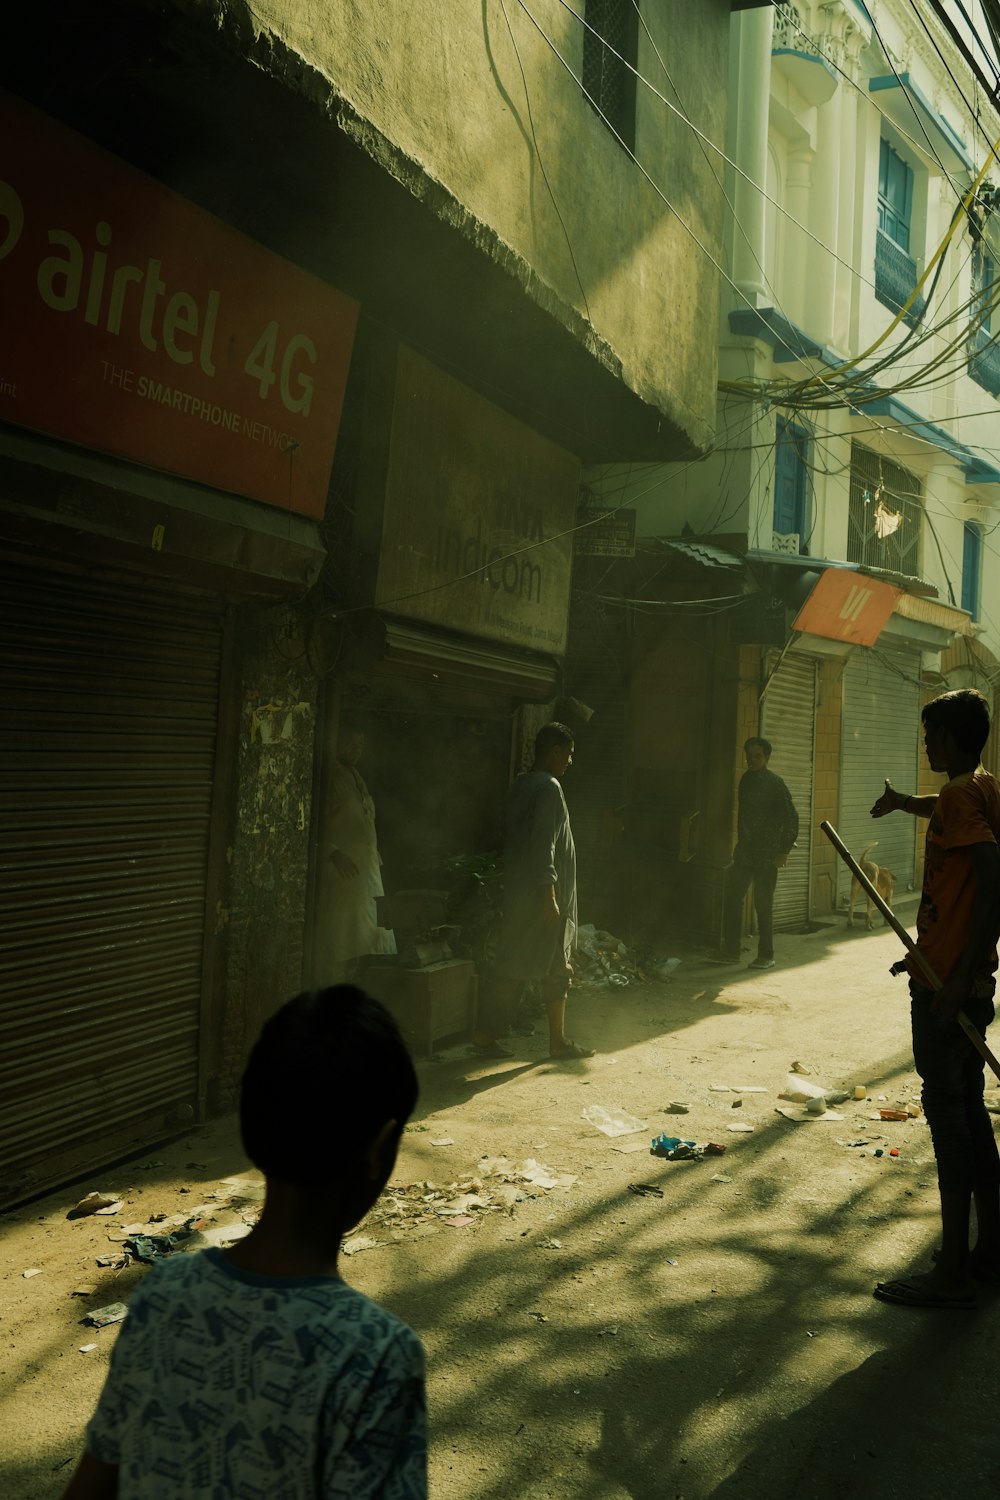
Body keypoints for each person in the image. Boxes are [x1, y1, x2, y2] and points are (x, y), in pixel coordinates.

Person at [61, 986, 427, 1499]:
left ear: (254, 1129)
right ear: (380, 1150)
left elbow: (93, 1486)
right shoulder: (376, 1354)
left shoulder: (163, 1296)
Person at [868, 687, 1000, 1309]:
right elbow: (946, 813)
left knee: (950, 1121)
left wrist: (953, 974)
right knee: (971, 1115)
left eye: (930, 734)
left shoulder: (958, 796)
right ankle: (990, 1251)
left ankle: (951, 1269)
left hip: (950, 991)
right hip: (957, 980)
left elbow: (992, 875)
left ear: (949, 737)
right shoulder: (980, 788)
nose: (925, 744)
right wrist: (902, 804)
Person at [472, 721, 593, 1061]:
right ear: (554, 752)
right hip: (543, 899)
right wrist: (550, 898)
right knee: (542, 967)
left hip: (520, 896)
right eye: (568, 755)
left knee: (524, 966)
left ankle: (495, 1035)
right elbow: (544, 848)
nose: (569, 761)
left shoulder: (520, 785)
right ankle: (550, 1041)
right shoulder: (550, 788)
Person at [716, 736, 798, 970]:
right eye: (749, 756)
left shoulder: (775, 783)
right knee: (732, 898)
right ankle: (731, 951)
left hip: (767, 855)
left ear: (767, 758)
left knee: (763, 906)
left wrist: (783, 851)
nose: (751, 760)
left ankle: (766, 955)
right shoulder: (746, 780)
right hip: (745, 853)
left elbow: (792, 818)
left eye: (757, 756)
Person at [325, 717, 396, 980]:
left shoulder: (357, 777)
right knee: (338, 944)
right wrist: (332, 853)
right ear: (337, 743)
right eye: (350, 743)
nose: (356, 749)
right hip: (341, 873)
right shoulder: (330, 776)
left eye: (360, 744)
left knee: (361, 943)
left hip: (364, 874)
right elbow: (315, 824)